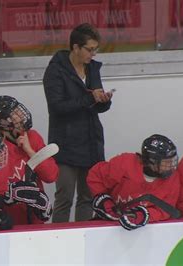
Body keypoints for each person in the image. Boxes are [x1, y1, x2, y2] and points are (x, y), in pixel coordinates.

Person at [43, 23, 114, 222]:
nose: (93, 54)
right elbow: (58, 107)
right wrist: (90, 99)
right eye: (90, 50)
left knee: (88, 196)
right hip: (65, 143)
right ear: (75, 47)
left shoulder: (92, 69)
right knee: (64, 197)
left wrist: (103, 100)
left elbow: (95, 105)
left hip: (91, 140)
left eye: (95, 50)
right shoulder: (55, 72)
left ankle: (83, 239)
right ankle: (58, 241)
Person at [0, 95, 58, 224]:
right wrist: (10, 193)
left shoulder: (32, 137)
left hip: (34, 217)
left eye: (19, 109)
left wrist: (30, 151)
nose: (21, 114)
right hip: (7, 220)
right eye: (15, 112)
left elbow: (51, 176)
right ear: (3, 122)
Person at [87, 134, 180, 230]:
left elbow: (166, 209)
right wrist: (103, 200)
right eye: (166, 163)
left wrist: (145, 215)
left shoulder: (173, 178)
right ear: (151, 162)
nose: (171, 167)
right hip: (107, 225)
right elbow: (96, 176)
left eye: (172, 161)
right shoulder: (124, 164)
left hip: (144, 230)